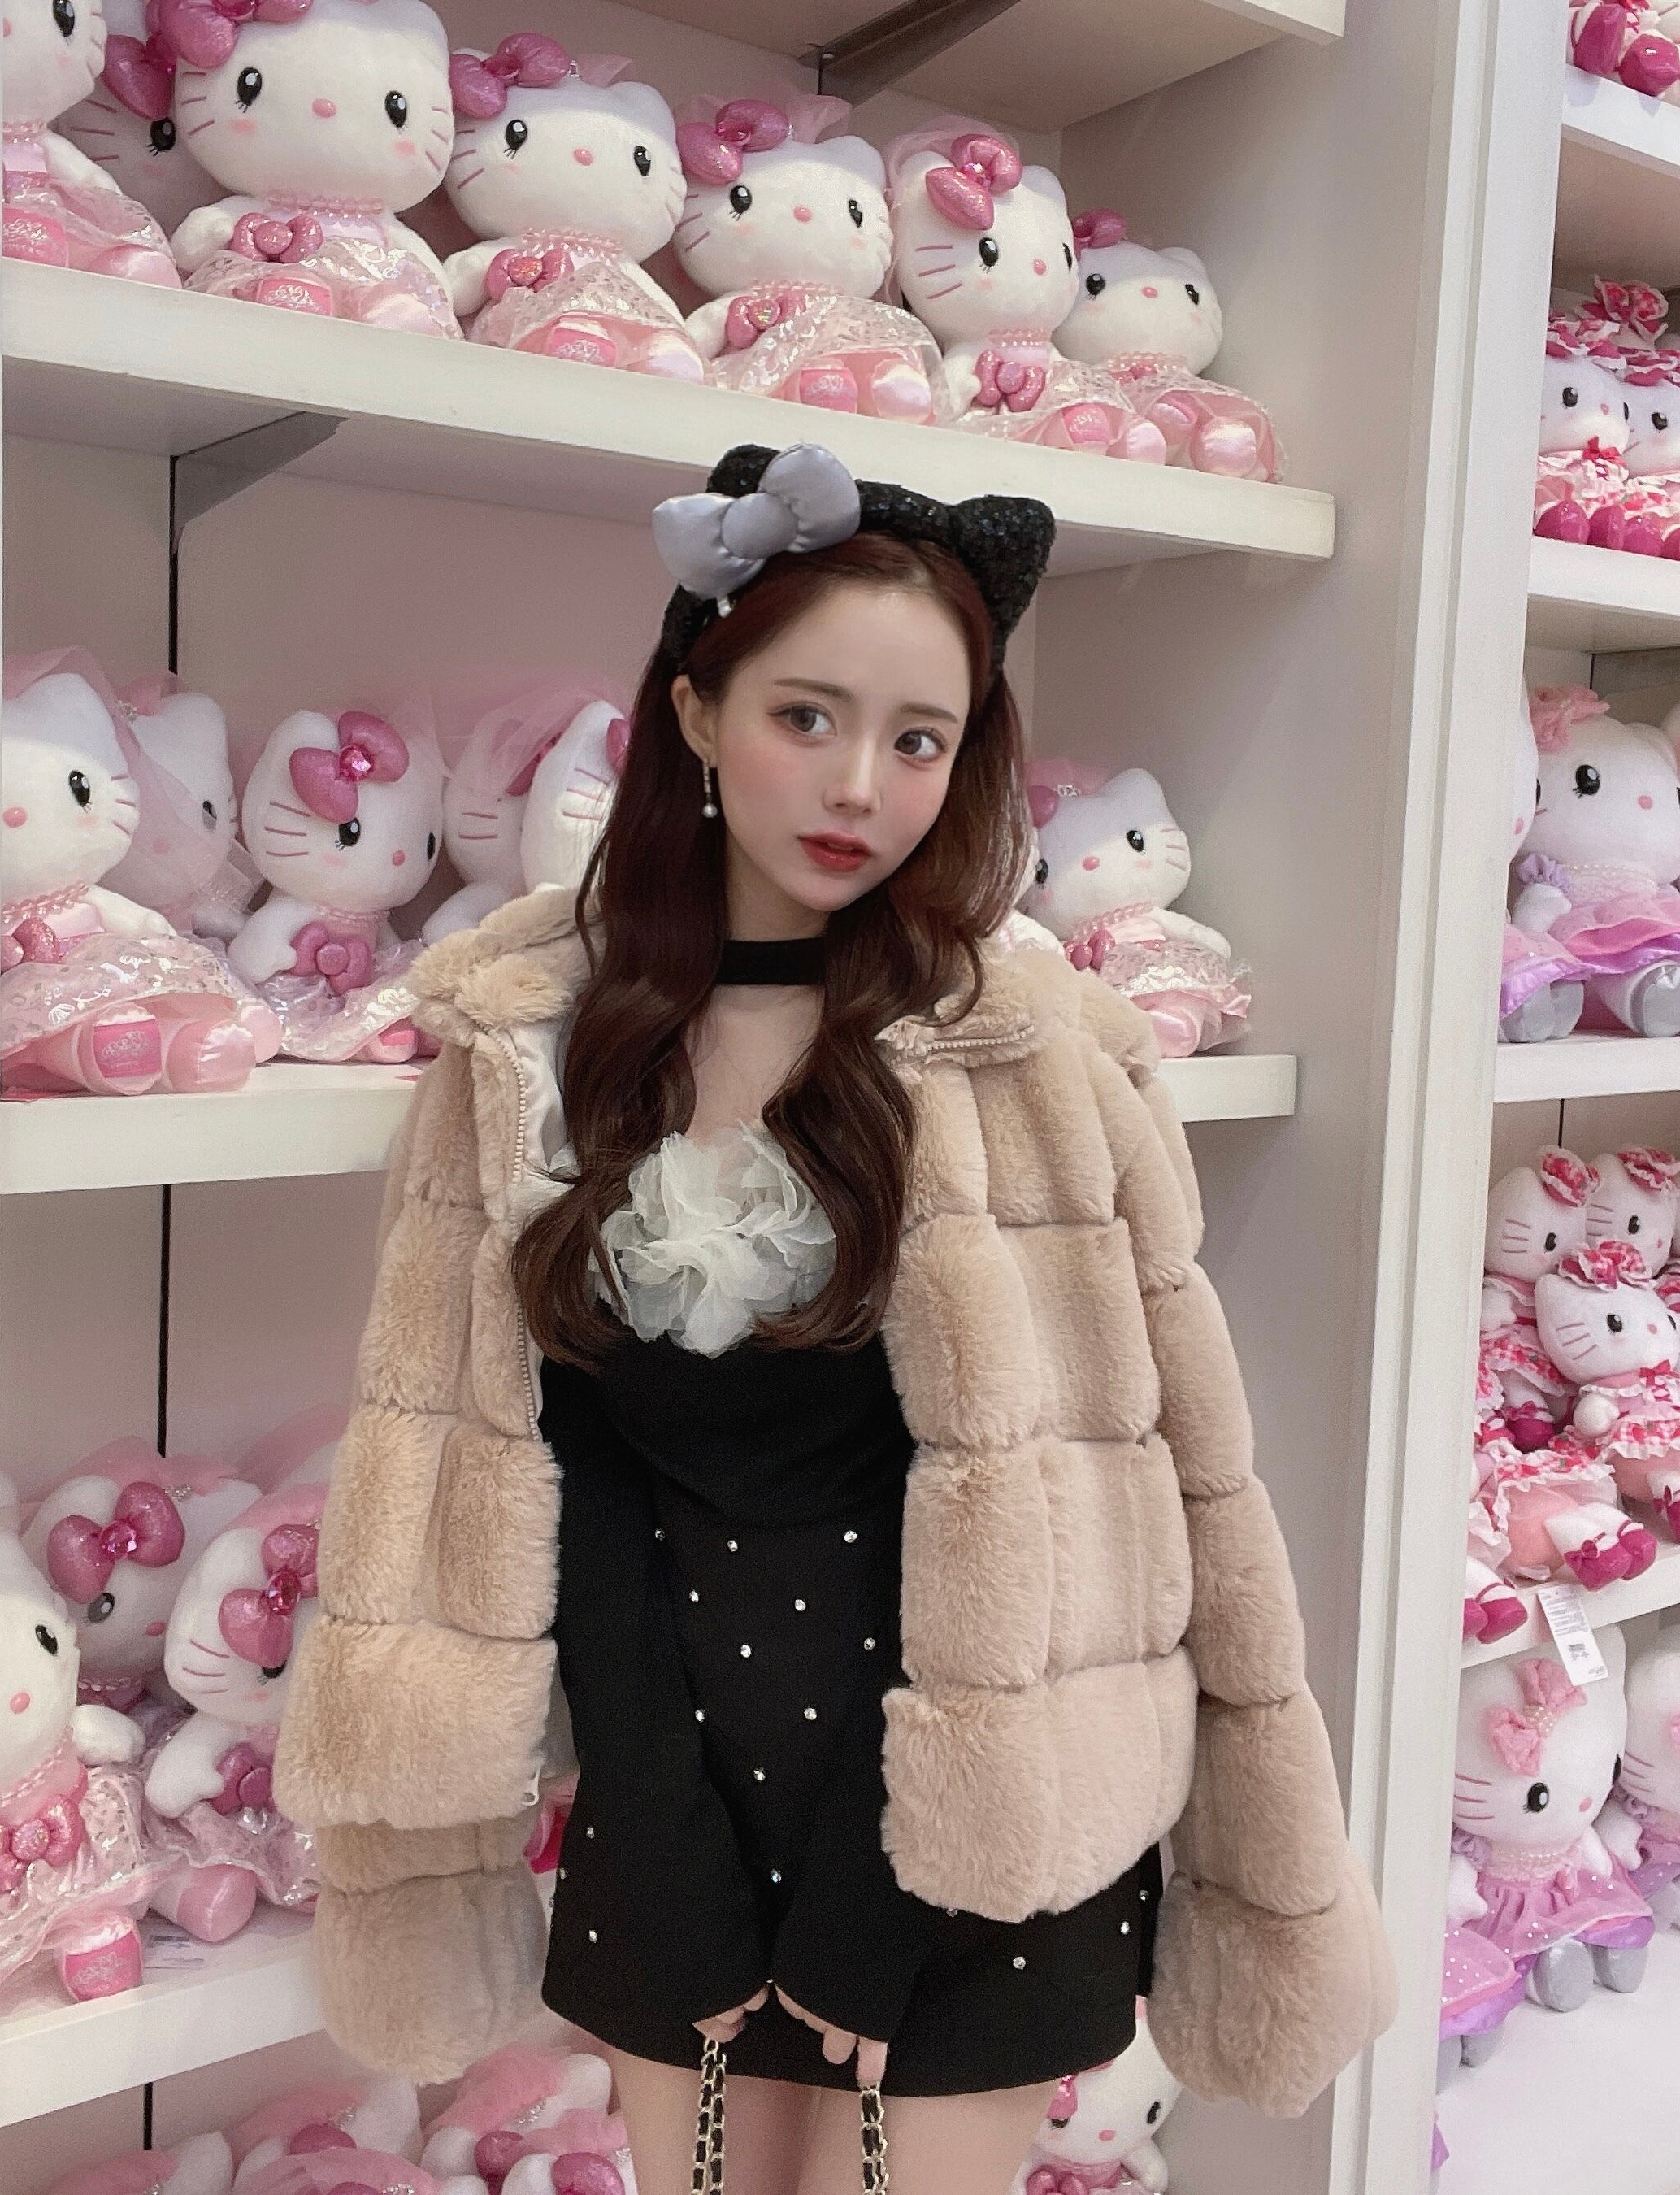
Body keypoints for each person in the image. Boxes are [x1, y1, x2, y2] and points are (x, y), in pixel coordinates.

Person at [276, 441, 1394, 2195]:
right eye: (808, 716)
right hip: (676, 1812)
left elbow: (1119, 1521)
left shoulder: (1036, 1060)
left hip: (983, 1826)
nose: (862, 787)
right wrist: (668, 1855)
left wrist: (884, 1909)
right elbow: (553, 1492)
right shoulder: (532, 1047)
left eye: (919, 740)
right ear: (698, 711)